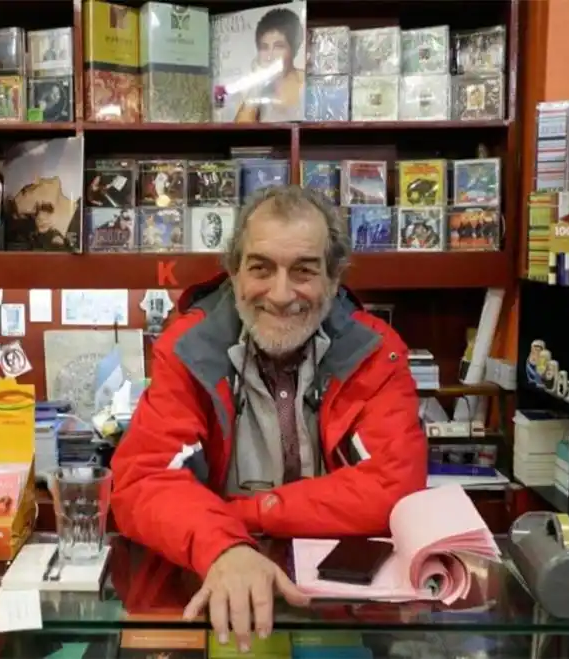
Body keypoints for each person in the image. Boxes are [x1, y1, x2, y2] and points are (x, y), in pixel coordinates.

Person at [111, 186, 428, 651]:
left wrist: (247, 512)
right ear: (234, 272)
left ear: (334, 278)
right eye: (261, 268)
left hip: (342, 608)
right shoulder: (187, 351)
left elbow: (394, 487)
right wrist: (225, 545)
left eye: (304, 271)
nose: (281, 295)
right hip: (213, 591)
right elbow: (141, 480)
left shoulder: (377, 353)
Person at [235, 8, 306, 123]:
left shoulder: (306, 84)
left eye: (279, 46)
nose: (270, 56)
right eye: (264, 47)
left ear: (293, 49)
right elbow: (239, 131)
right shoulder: (254, 91)